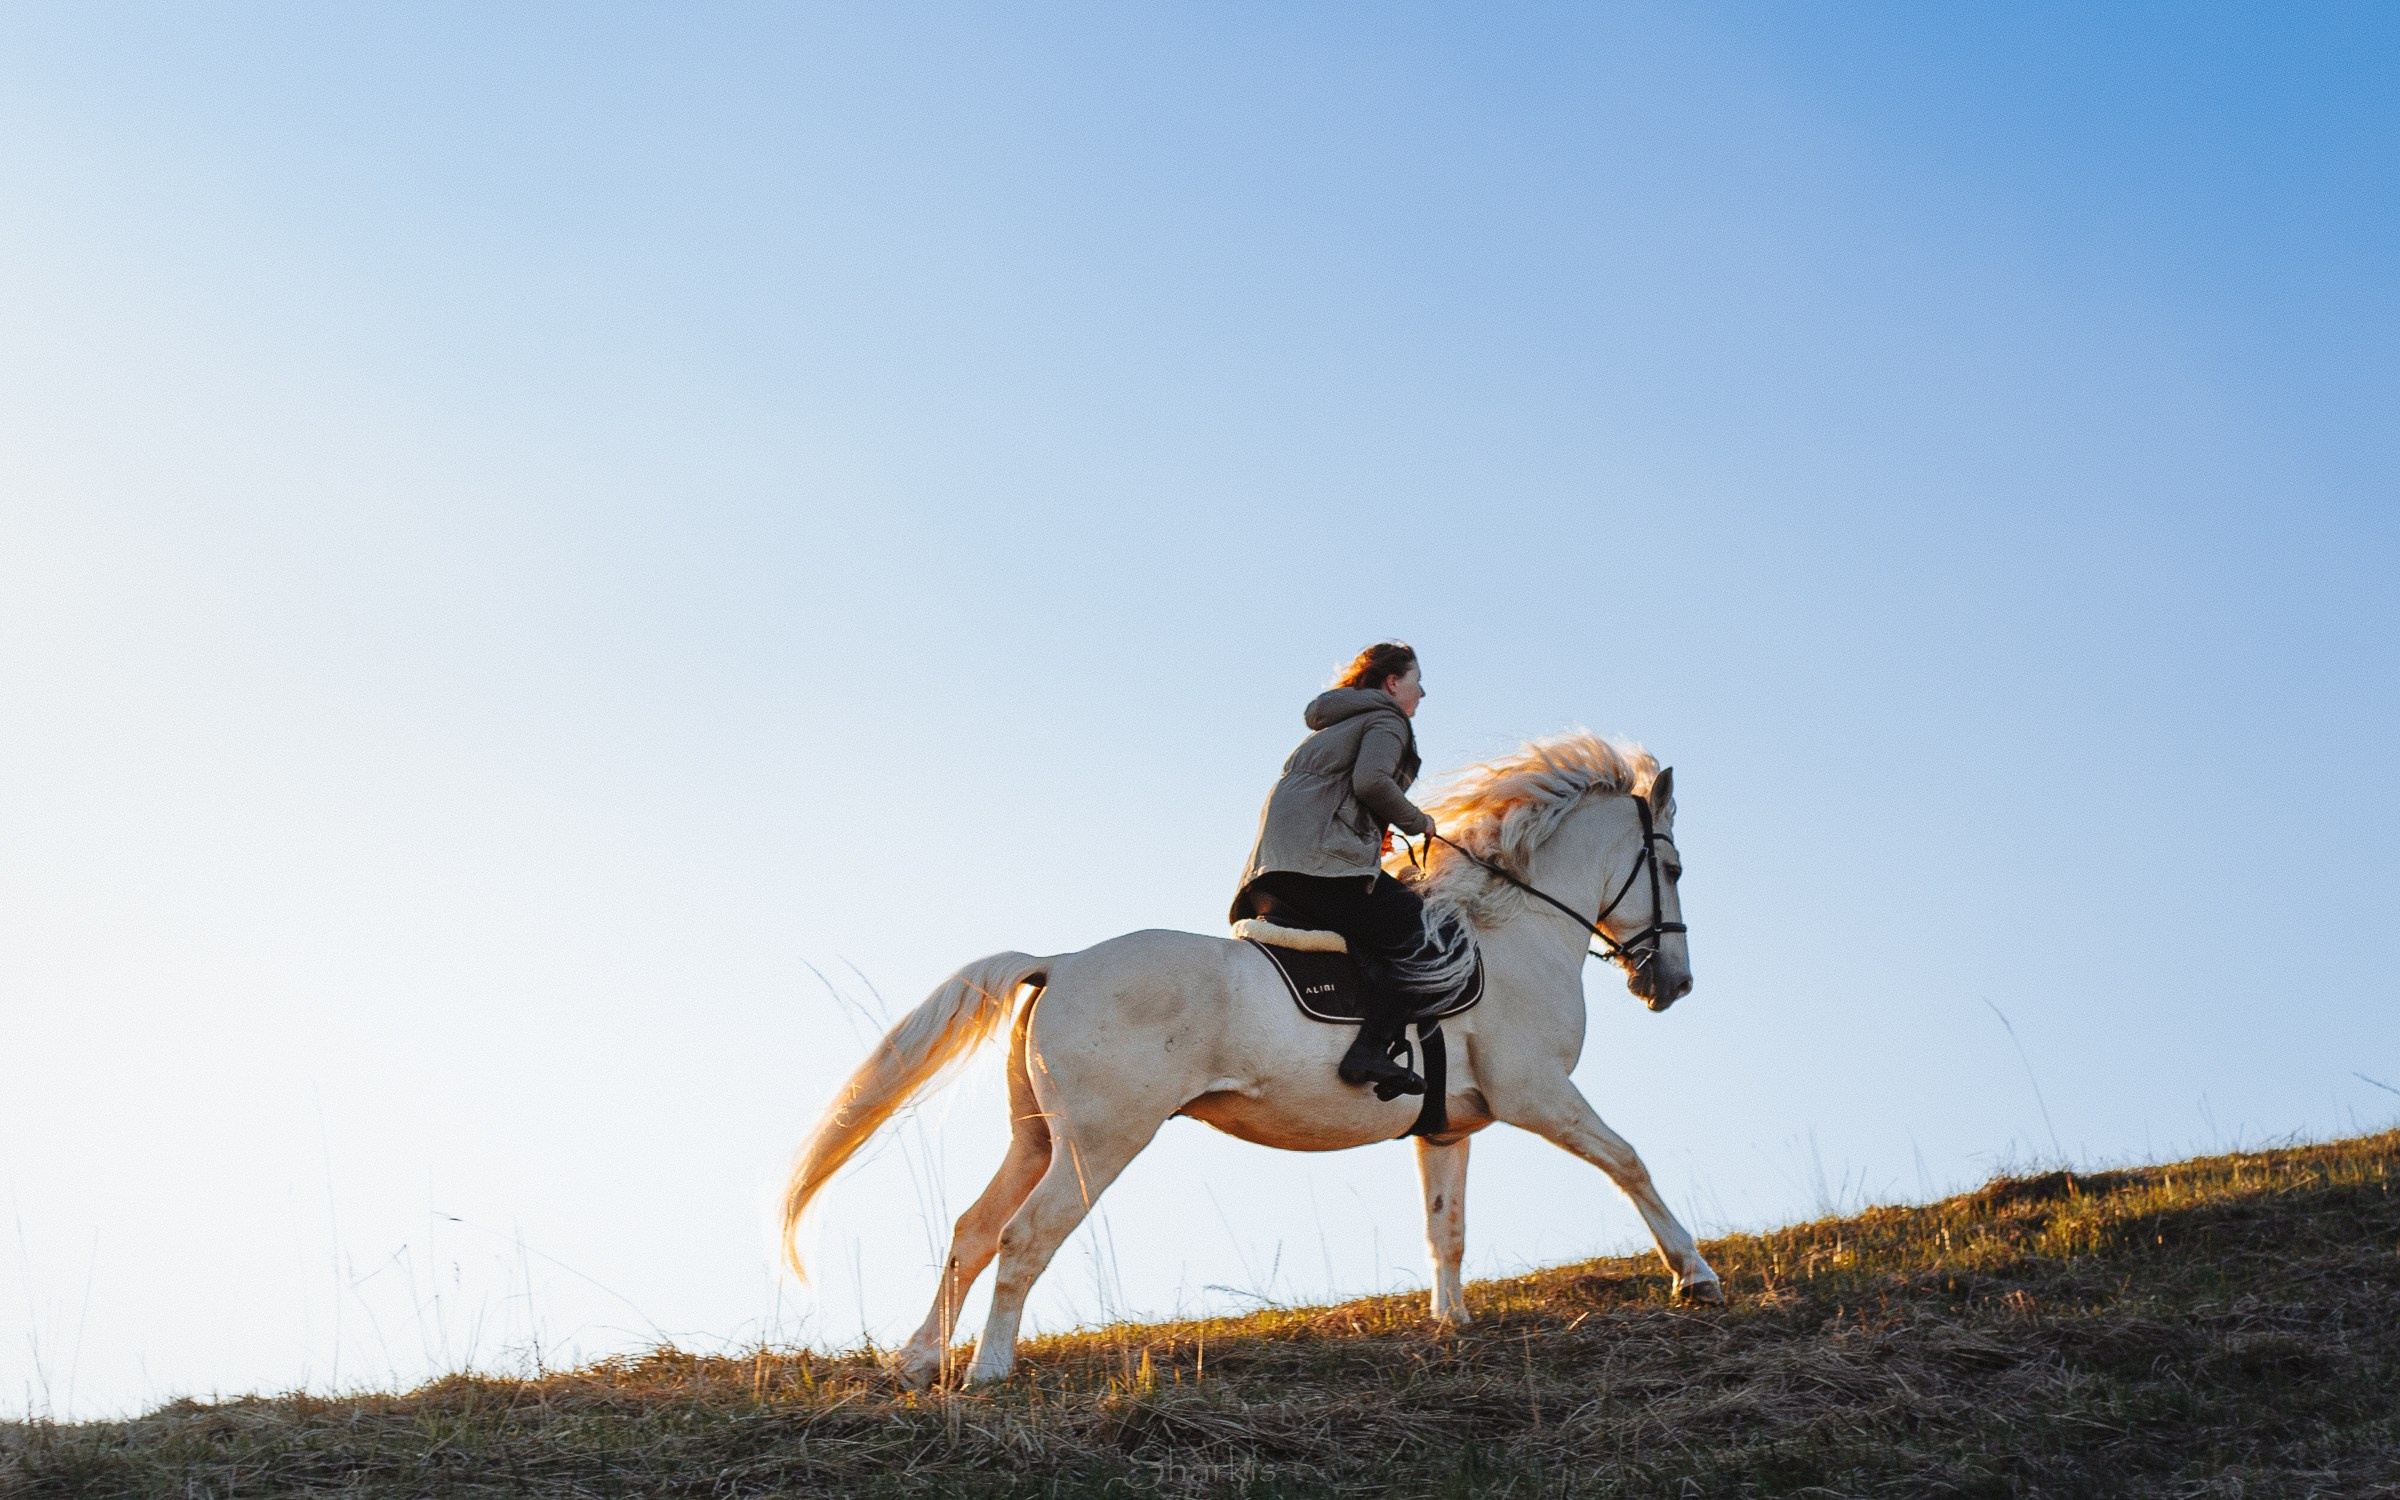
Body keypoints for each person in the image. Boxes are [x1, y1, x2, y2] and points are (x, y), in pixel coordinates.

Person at [1230, 640, 1444, 1097]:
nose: (1422, 693)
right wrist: (1417, 820)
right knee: (1422, 935)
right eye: (1417, 681)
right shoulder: (1388, 719)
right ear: (1392, 682)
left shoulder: (1338, 721)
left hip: (1274, 870)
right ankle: (1370, 1048)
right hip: (1319, 867)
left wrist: (1369, 829)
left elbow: (1337, 791)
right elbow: (1371, 781)